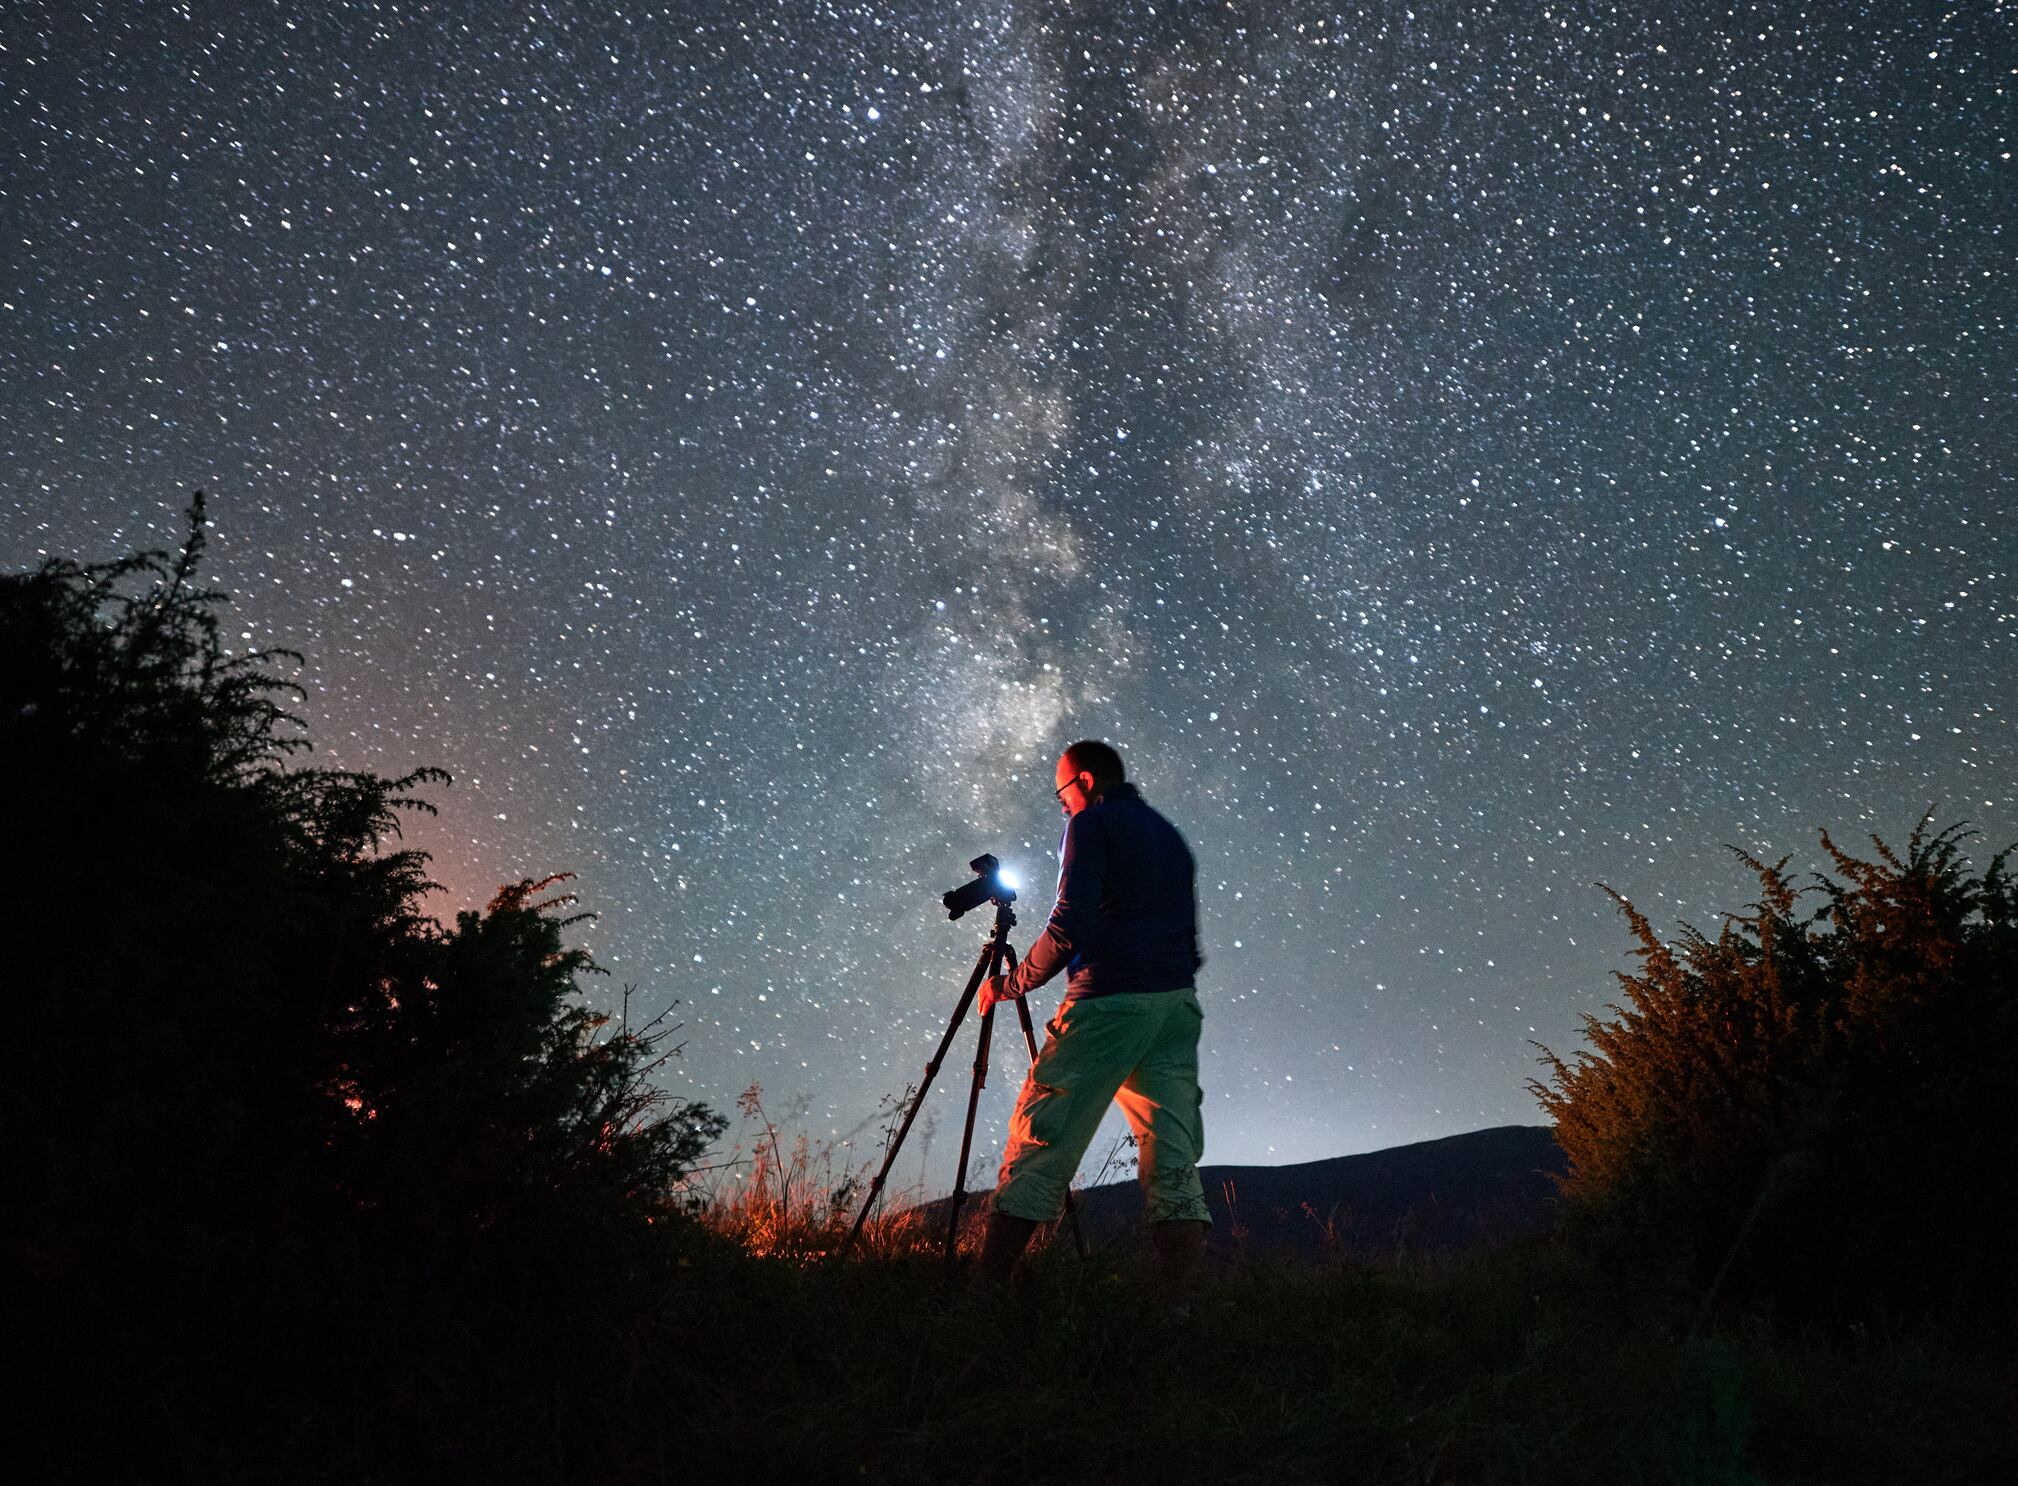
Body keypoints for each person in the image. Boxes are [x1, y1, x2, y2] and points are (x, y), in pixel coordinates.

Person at [976, 739, 1211, 1301]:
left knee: (1043, 1134)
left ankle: (982, 1297)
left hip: (1109, 1000)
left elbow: (1068, 923)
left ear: (1083, 781)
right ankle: (1179, 1308)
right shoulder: (1168, 835)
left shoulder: (1092, 824)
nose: (1061, 805)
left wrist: (1009, 985)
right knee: (1172, 1155)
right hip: (1175, 1007)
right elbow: (1188, 939)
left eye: (1062, 792)